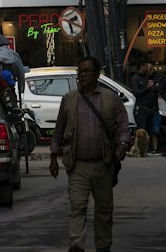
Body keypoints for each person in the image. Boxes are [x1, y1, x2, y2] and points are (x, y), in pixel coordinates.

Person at [49, 57, 129, 252]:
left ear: (97, 74)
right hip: (77, 165)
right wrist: (53, 157)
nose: (82, 75)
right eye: (80, 71)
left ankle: (103, 247)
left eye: (86, 71)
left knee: (104, 210)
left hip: (103, 164)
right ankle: (76, 246)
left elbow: (123, 125)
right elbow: (58, 130)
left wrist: (122, 144)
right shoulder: (69, 99)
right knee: (78, 206)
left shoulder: (110, 98)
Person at [129, 54, 162, 152]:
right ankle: (139, 149)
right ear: (141, 67)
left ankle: (152, 149)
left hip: (152, 108)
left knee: (151, 130)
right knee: (141, 131)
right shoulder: (136, 78)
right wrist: (147, 89)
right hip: (142, 108)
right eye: (145, 66)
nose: (147, 68)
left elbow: (157, 87)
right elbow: (136, 93)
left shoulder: (148, 77)